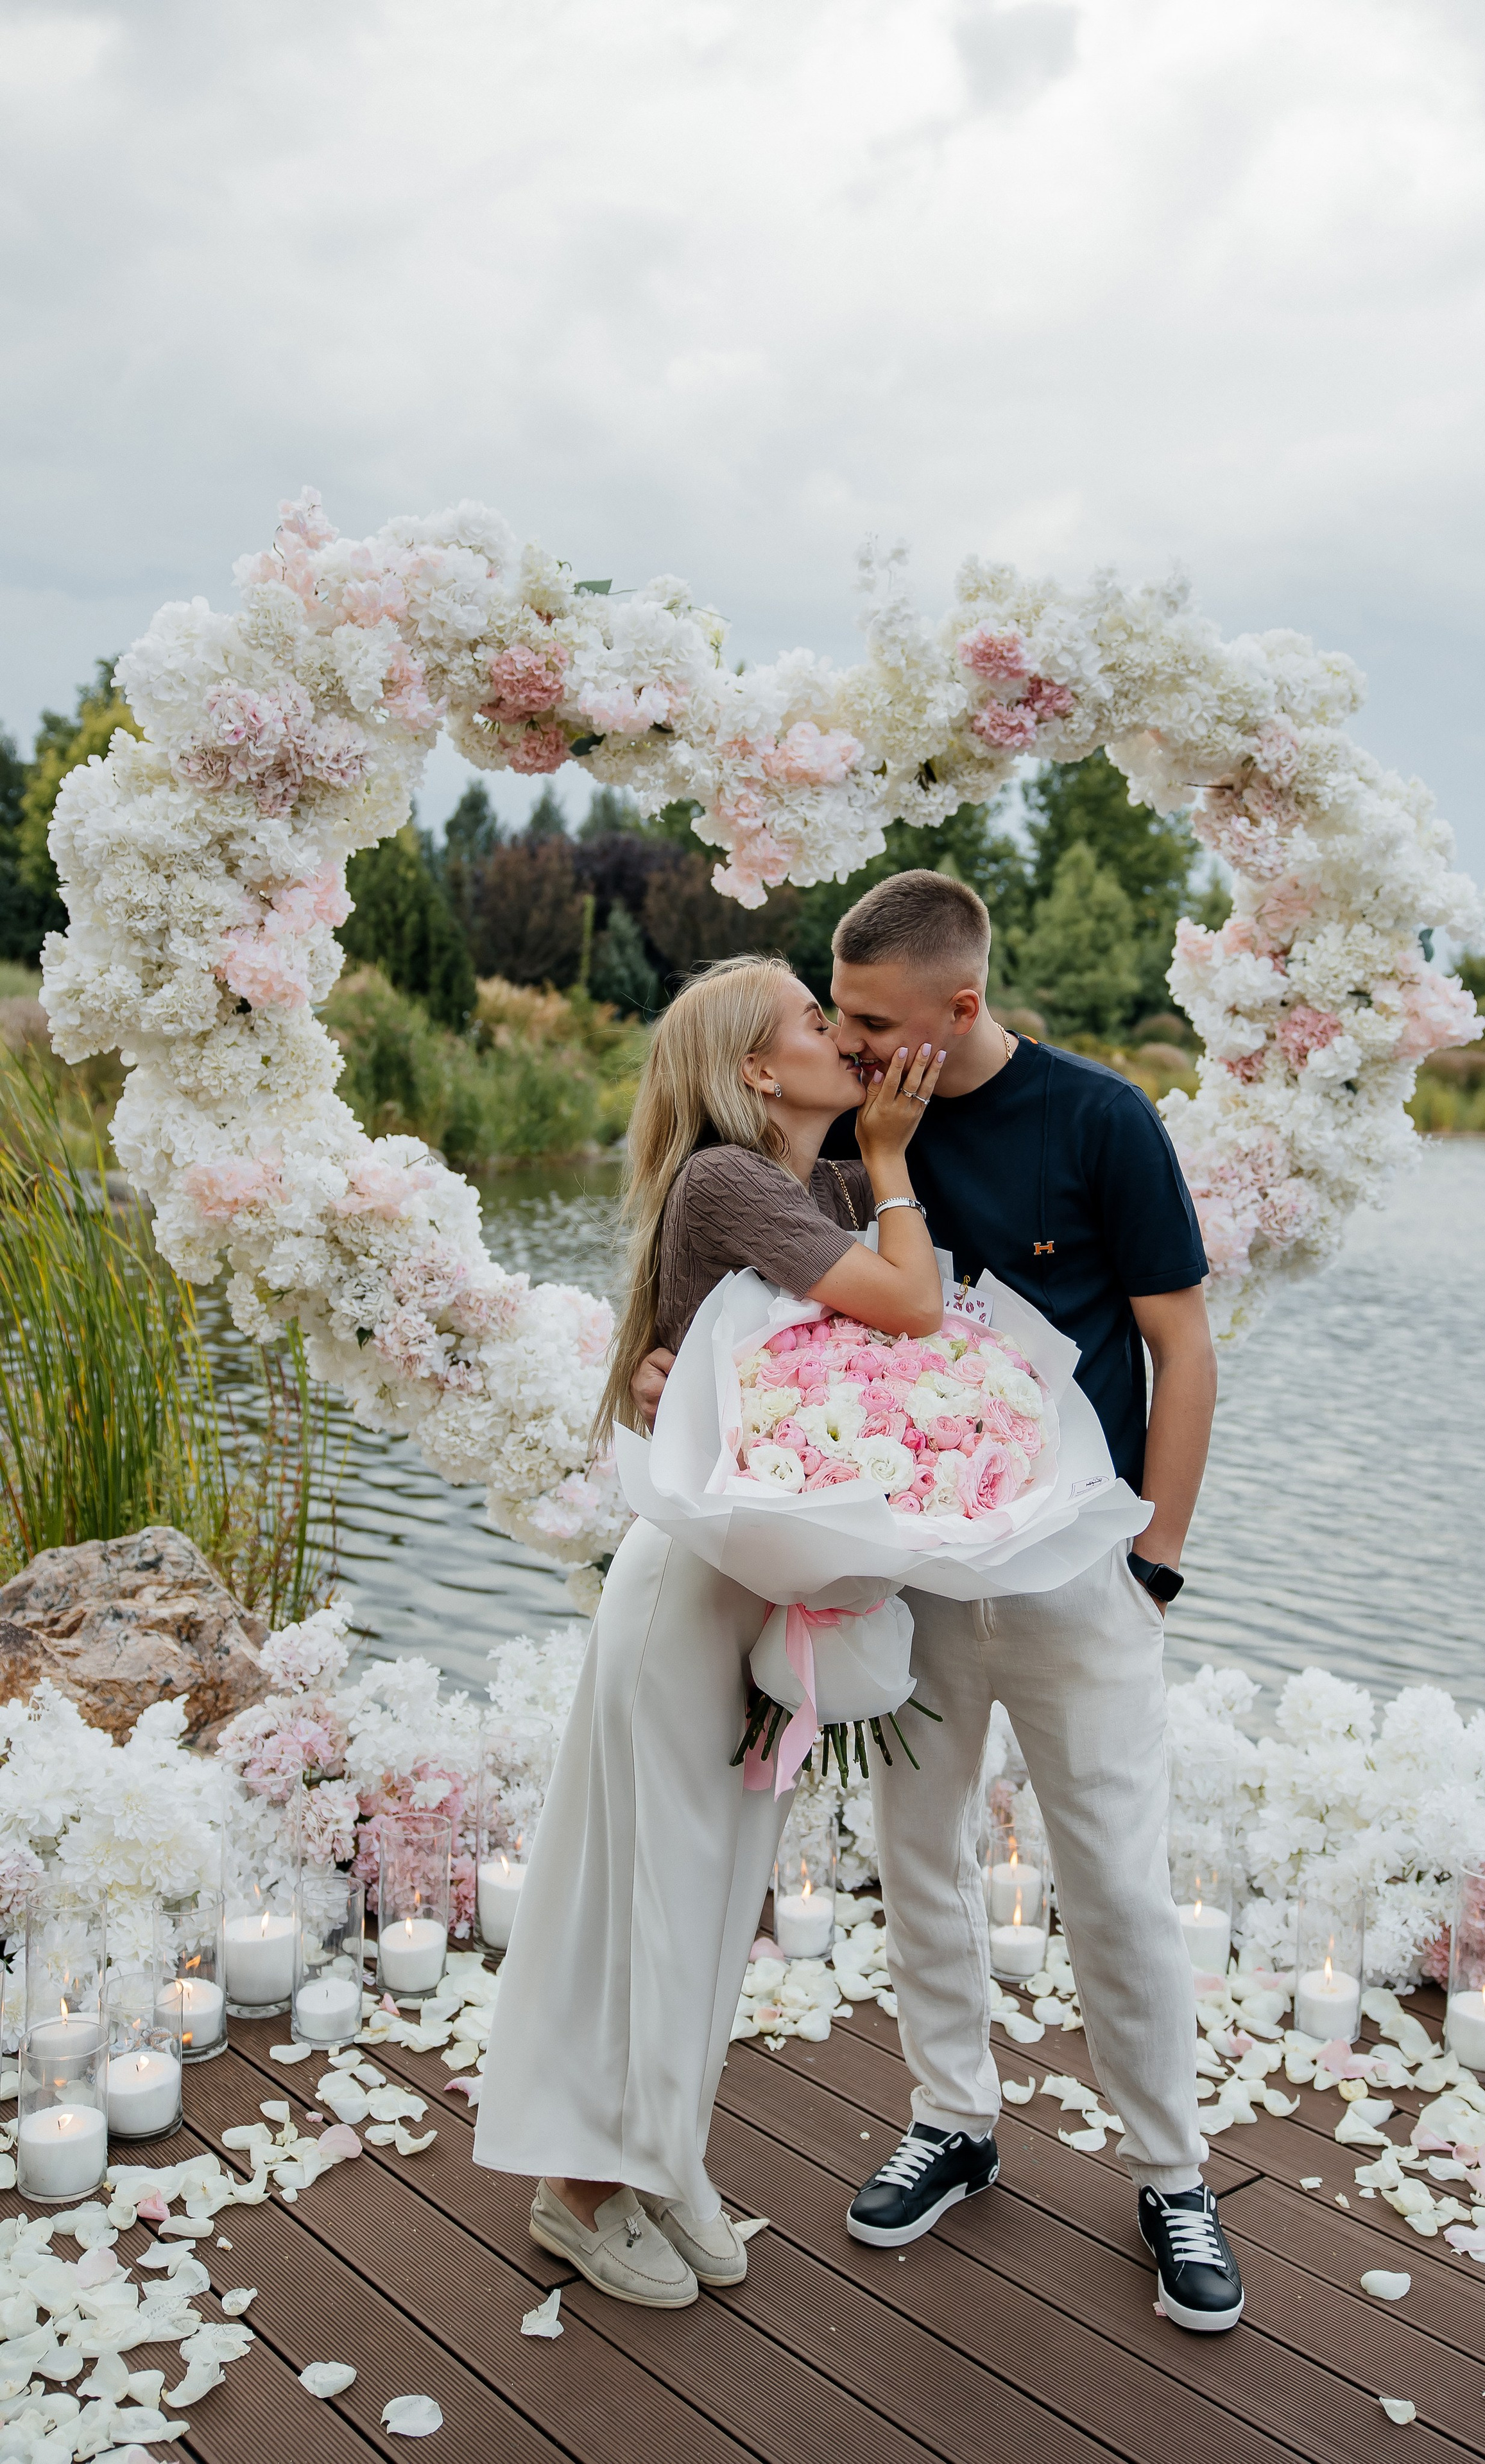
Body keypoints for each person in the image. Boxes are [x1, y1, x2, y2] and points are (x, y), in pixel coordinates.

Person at [633, 871, 1243, 2334]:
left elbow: (1180, 1346)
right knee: (917, 1853)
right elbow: (755, 1283)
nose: (845, 1042)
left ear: (957, 1009)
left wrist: (1152, 1561)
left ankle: (1169, 2173)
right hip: (899, 1580)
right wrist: (669, 1375)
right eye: (833, 1018)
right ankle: (952, 2119)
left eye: (866, 1019)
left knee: (1110, 1873)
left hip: (1075, 1574)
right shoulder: (850, 1130)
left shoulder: (1099, 1121)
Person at [473, 954, 945, 2309]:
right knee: (656, 1894)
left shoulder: (827, 1188)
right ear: (753, 1069)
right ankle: (579, 2194)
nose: (841, 1038)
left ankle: (662, 2151)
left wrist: (875, 1166)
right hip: (687, 1594)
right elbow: (906, 1305)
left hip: (767, 1596)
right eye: (815, 1020)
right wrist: (897, 1156)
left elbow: (898, 1361)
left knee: (717, 1897)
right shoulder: (731, 1181)